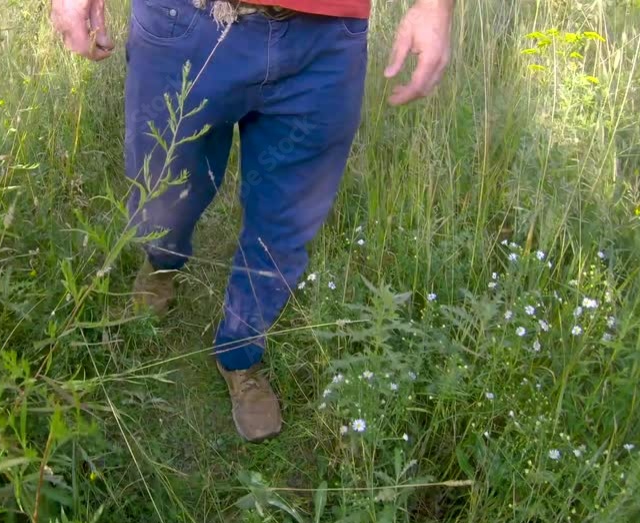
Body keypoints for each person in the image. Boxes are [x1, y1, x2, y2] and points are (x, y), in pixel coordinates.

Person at [50, 0, 454, 442]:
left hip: (327, 36)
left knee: (285, 223)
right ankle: (161, 264)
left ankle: (240, 354)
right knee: (162, 195)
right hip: (184, 19)